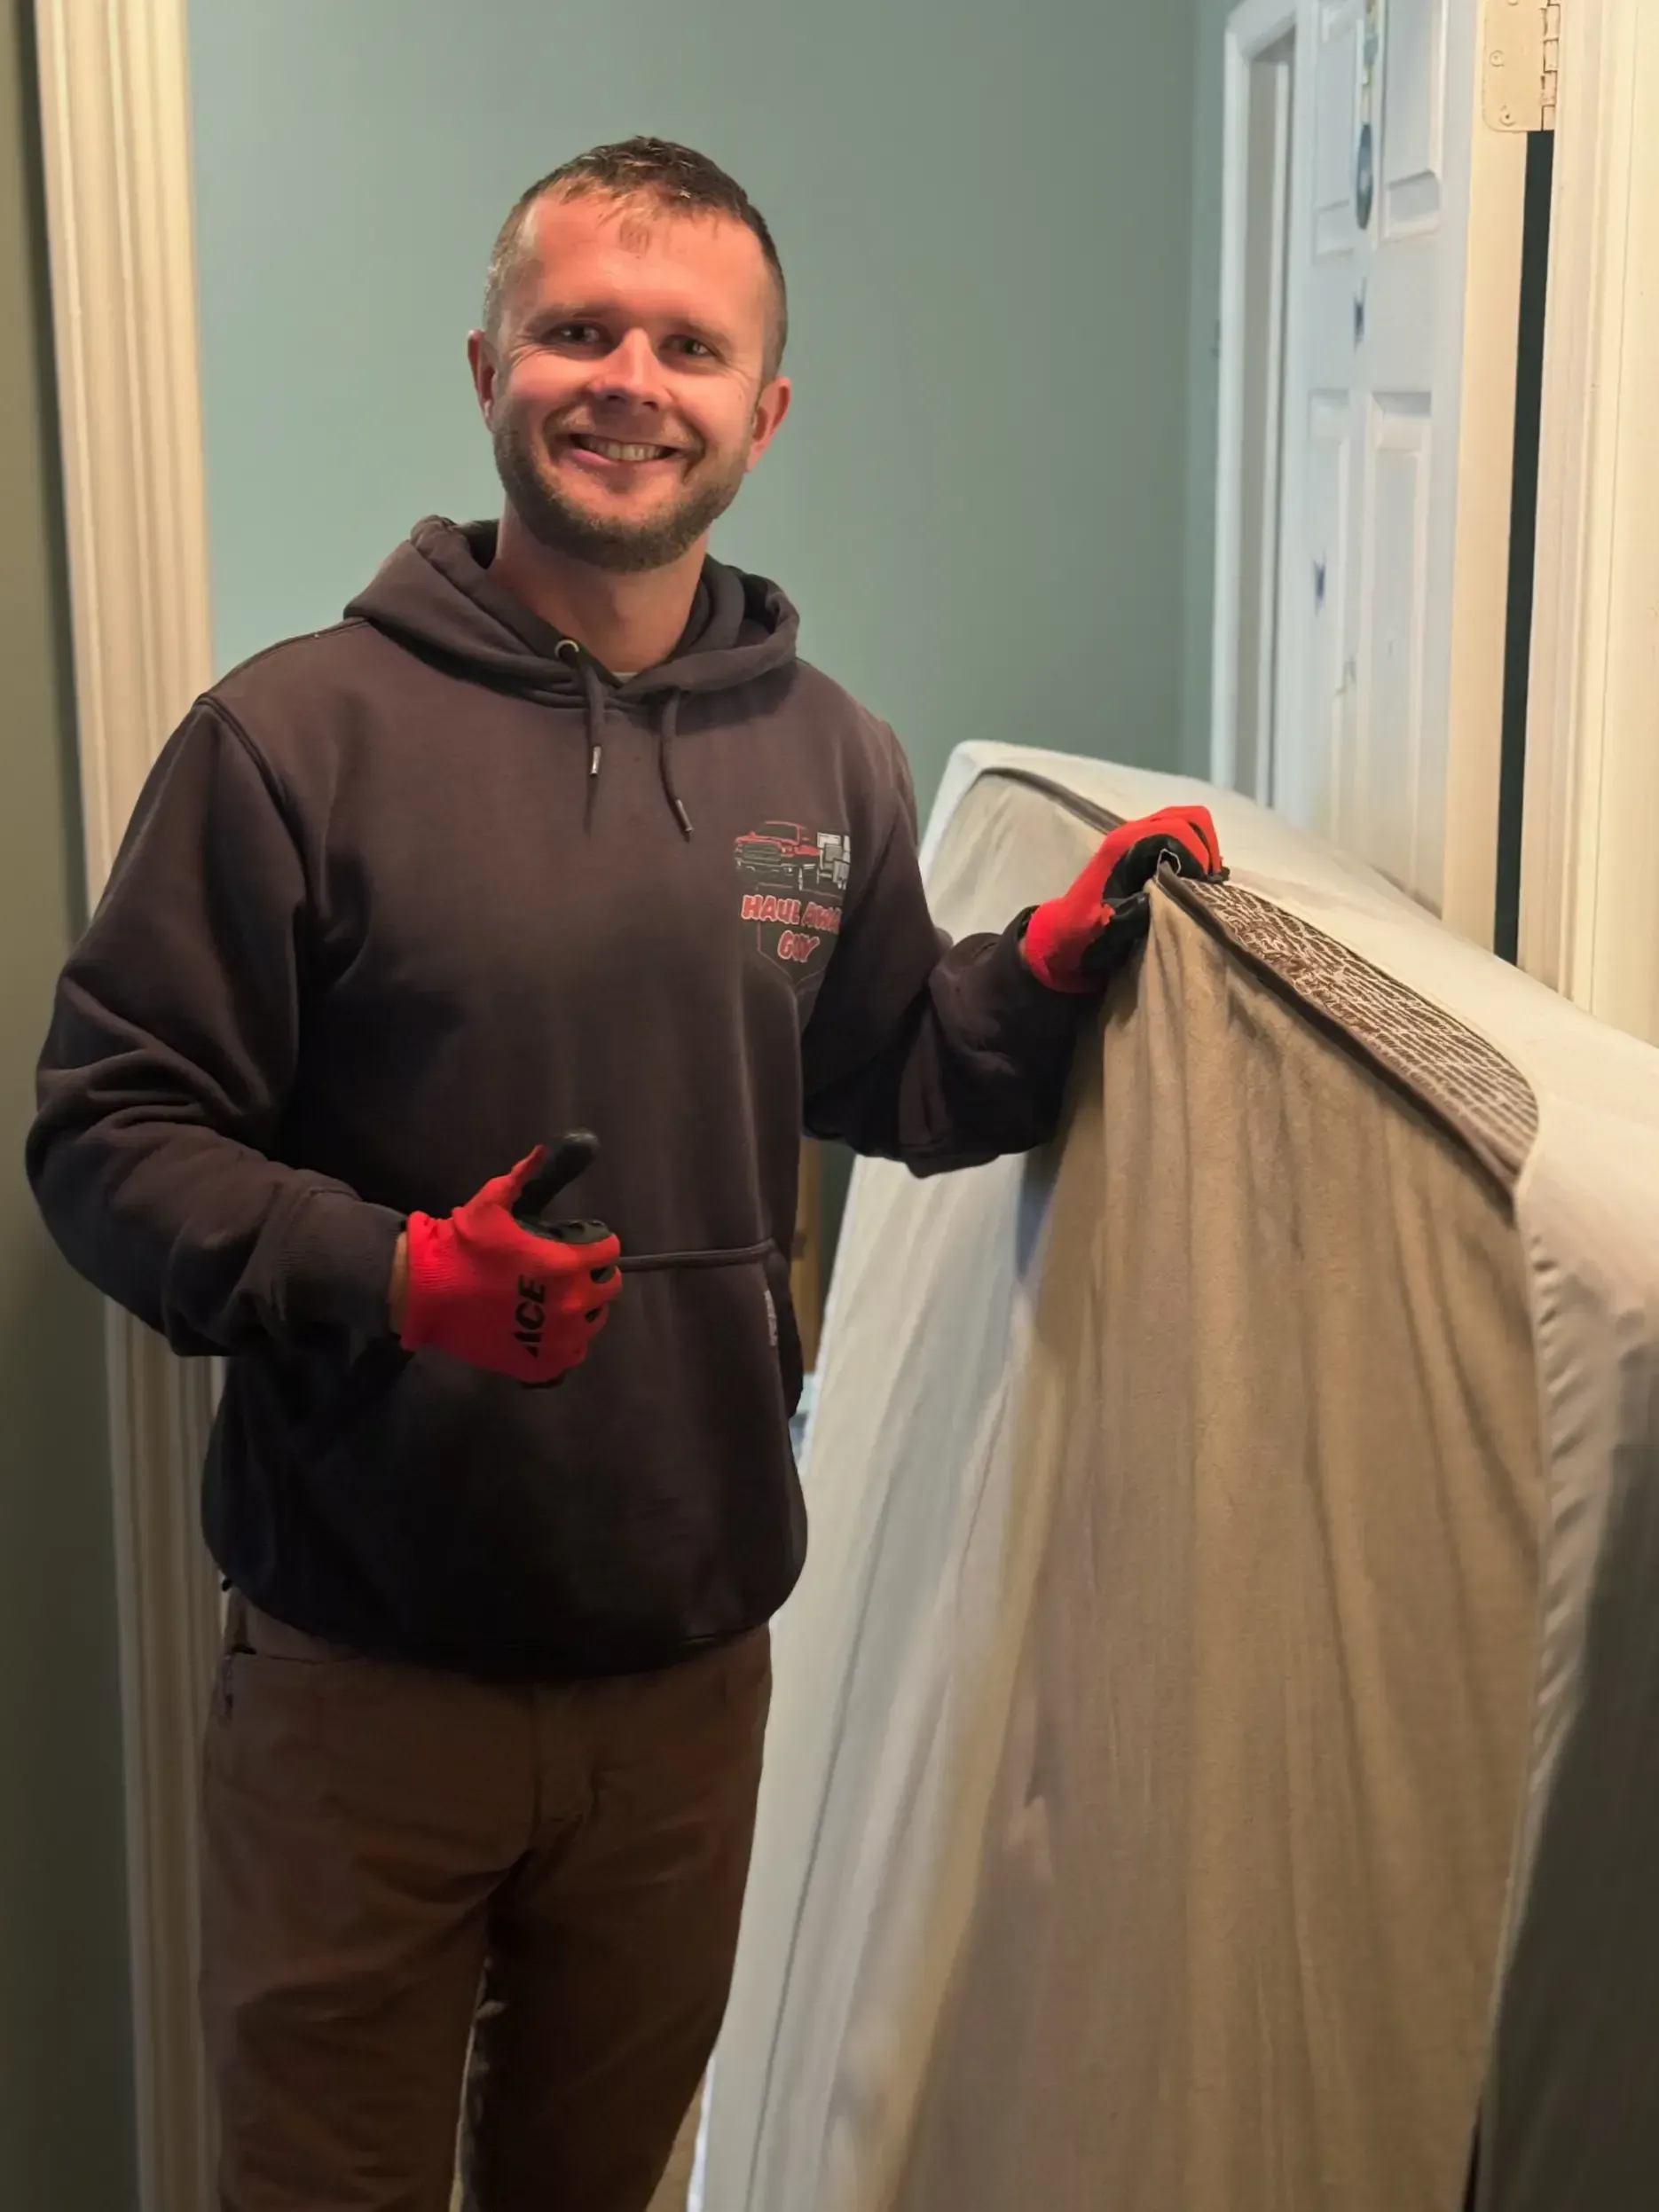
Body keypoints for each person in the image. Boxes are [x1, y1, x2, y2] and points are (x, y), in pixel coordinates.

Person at [28, 137, 1221, 2212]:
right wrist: (399, 1273)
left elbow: (896, 1073)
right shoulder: (288, 738)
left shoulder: (822, 754)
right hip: (360, 1686)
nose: (625, 377)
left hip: (683, 1682)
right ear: (489, 363)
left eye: (687, 344)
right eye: (578, 327)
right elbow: (106, 1136)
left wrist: (1037, 966)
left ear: (760, 412)